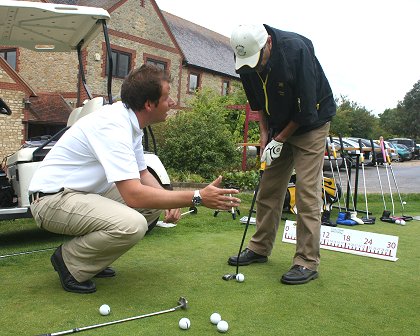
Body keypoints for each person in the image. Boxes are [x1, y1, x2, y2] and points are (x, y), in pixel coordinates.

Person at [29, 64, 241, 294]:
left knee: (151, 209)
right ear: (149, 104)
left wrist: (173, 200)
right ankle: (69, 262)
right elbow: (133, 194)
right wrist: (196, 197)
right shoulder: (114, 126)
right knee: (133, 224)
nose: (172, 103)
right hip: (51, 200)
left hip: (80, 194)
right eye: (167, 97)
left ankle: (91, 261)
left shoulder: (131, 123)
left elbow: (142, 174)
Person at [228, 24, 336, 284]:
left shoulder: (296, 52)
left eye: (257, 61)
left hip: (311, 123)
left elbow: (306, 110)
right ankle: (259, 248)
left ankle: (306, 262)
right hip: (278, 125)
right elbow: (258, 103)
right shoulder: (245, 57)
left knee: (307, 192)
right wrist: (265, 135)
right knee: (269, 188)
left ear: (268, 44)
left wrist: (280, 139)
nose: (254, 67)